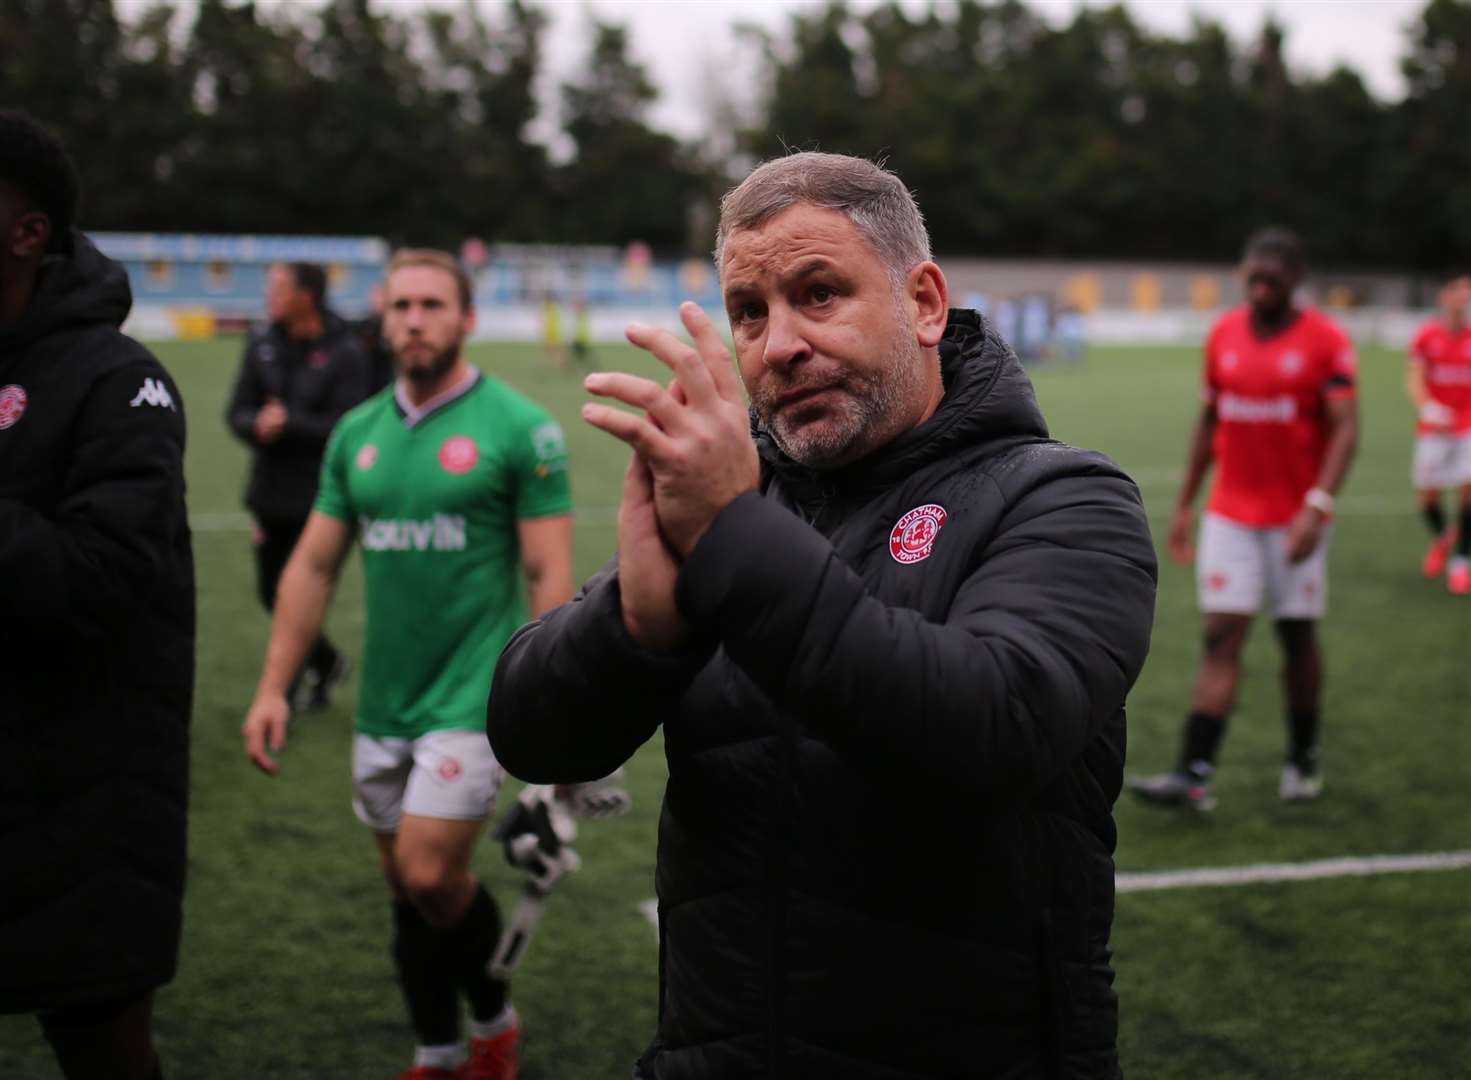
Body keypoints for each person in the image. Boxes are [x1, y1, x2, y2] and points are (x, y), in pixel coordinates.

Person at [488, 152, 1157, 1079]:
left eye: (819, 294)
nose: (778, 345)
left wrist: (730, 542)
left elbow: (993, 725)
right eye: (749, 314)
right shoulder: (742, 507)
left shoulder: (1064, 499)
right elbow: (531, 734)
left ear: (923, 302)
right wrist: (630, 627)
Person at [241, 248, 574, 1080]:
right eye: (400, 307)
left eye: (432, 305)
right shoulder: (356, 435)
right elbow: (313, 566)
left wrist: (547, 706)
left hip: (472, 695)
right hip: (384, 702)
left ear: (464, 319)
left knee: (430, 871)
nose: (414, 321)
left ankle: (494, 1020)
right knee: (405, 888)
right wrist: (273, 686)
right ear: (381, 319)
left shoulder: (519, 427)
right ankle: (438, 1048)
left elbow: (548, 575)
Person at [0, 110, 194, 1080]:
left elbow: (104, 579)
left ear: (28, 231)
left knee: (101, 1047)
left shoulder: (117, 381)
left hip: (75, 798)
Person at [1131, 228, 1359, 811]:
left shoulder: (1326, 340)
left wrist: (1319, 505)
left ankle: (1303, 758)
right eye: (1252, 277)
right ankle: (1194, 772)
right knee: (1220, 636)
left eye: (1272, 280)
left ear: (1295, 282)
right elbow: (1210, 422)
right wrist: (1185, 503)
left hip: (1296, 520)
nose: (1259, 288)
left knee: (1294, 635)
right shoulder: (1224, 334)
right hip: (1230, 513)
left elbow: (1346, 427)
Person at [226, 260, 369, 708]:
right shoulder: (262, 341)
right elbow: (237, 410)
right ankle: (324, 661)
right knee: (272, 590)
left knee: (301, 587)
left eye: (278, 288)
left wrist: (292, 424)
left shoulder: (345, 350)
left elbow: (352, 425)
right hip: (269, 493)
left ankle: (283, 688)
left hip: (322, 496)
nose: (269, 296)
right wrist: (256, 424)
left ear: (307, 296)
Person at [1406, 271, 1471, 594]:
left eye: (1466, 291)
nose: (1462, 297)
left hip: (1468, 427)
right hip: (1435, 428)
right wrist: (1428, 407)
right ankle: (1444, 536)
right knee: (1428, 499)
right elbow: (1414, 379)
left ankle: (1461, 562)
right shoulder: (1426, 336)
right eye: (1456, 290)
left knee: (1468, 493)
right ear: (1443, 297)